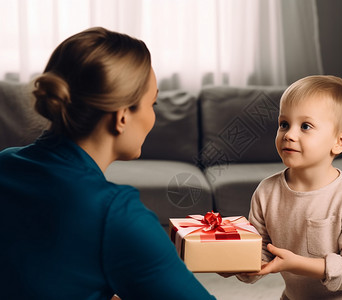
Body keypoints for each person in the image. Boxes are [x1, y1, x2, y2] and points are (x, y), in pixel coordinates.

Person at [0, 27, 215, 300]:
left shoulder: (4, 163)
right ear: (123, 116)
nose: (153, 116)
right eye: (154, 103)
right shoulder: (117, 215)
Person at [238, 75, 342, 299]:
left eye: (305, 126)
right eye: (284, 124)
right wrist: (238, 264)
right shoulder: (266, 192)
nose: (289, 135)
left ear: (339, 142)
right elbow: (262, 251)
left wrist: (299, 264)